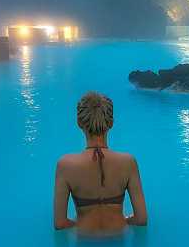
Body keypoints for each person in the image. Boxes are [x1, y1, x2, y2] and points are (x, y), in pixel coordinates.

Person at [53, 91, 147, 234]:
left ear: (79, 123)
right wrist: (123, 221)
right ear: (111, 123)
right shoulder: (128, 162)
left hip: (84, 242)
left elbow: (60, 223)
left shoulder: (65, 165)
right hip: (118, 239)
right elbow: (141, 220)